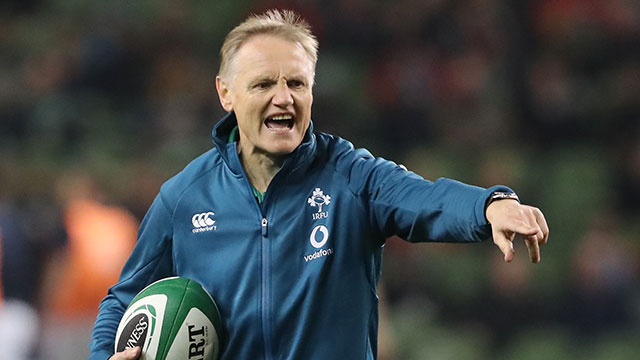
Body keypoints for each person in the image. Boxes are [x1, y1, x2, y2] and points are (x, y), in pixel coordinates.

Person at [89, 9, 549, 360]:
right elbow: (125, 298)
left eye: (297, 83)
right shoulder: (184, 197)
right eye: (264, 84)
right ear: (225, 93)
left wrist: (490, 205)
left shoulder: (349, 176)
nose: (283, 97)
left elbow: (423, 198)